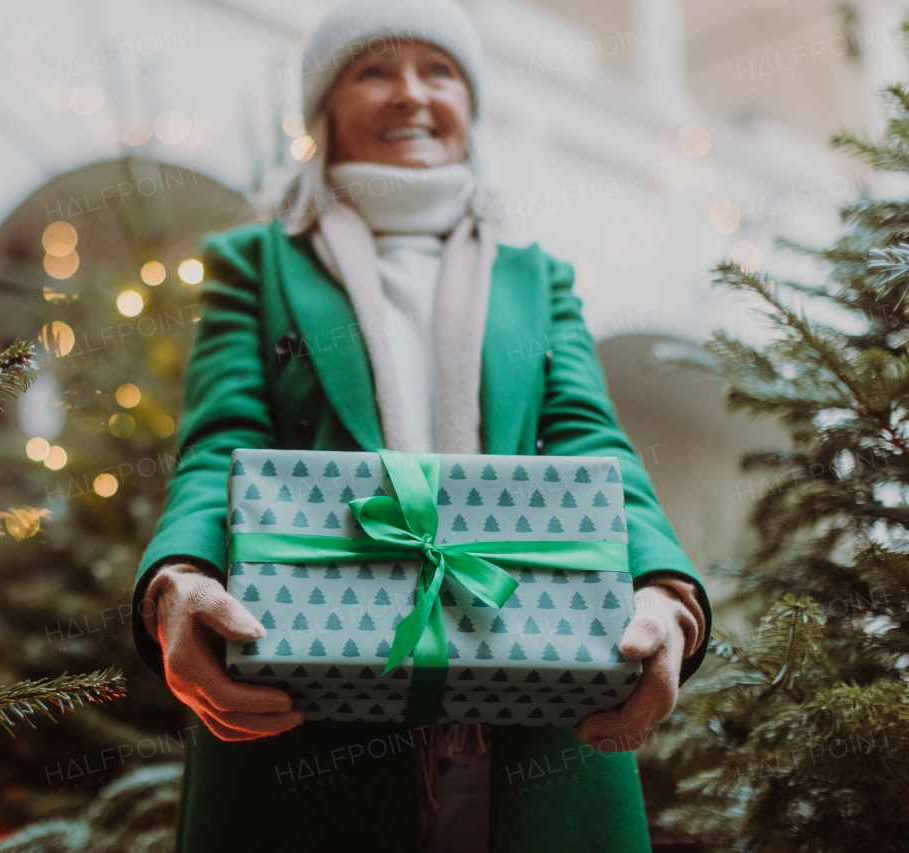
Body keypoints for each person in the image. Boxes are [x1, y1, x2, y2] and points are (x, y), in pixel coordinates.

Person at [129, 1, 712, 850]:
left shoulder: (538, 278)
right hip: (304, 696)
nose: (411, 93)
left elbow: (591, 440)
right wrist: (177, 577)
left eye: (438, 70)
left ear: (469, 105)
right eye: (373, 70)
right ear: (325, 109)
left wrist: (666, 590)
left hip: (540, 678)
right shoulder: (255, 265)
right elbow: (221, 441)